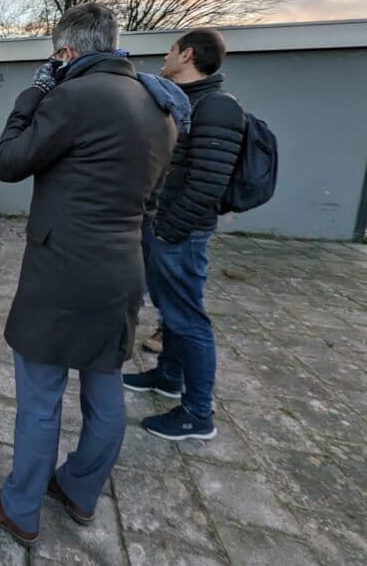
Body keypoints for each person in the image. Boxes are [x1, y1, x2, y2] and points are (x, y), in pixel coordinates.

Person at [0, 3, 177, 546]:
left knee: (41, 396)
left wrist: (34, 93)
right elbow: (150, 204)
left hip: (61, 273)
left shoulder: (72, 96)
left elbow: (9, 161)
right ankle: (80, 491)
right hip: (122, 270)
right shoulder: (159, 106)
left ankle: (20, 509)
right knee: (104, 389)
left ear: (65, 51)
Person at [123, 28, 244, 441]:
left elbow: (208, 183)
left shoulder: (217, 107)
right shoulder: (182, 101)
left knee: (188, 319)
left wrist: (167, 230)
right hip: (167, 228)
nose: (165, 57)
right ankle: (168, 378)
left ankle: (197, 413)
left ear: (188, 54)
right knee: (171, 312)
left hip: (182, 234)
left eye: (171, 50)